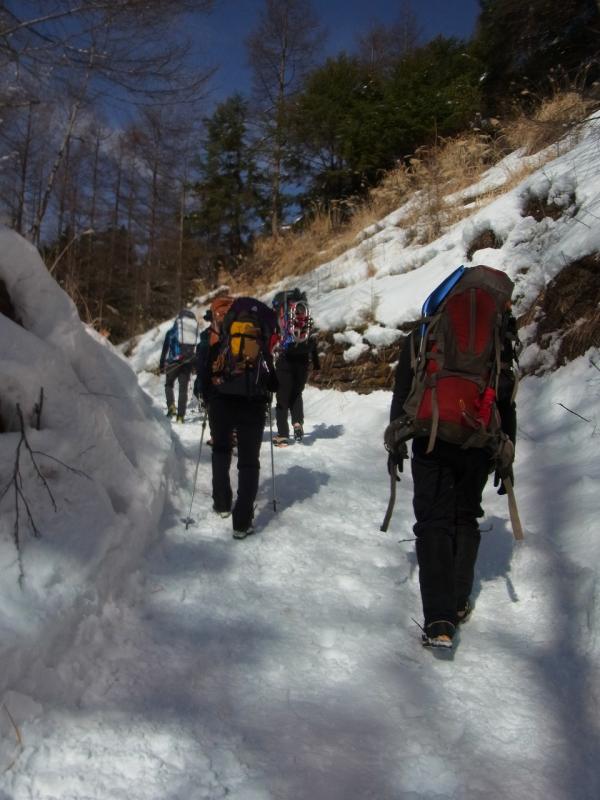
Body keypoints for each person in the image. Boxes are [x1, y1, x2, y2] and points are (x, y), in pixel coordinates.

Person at [386, 267, 518, 649]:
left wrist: (396, 437)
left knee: (433, 521)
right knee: (464, 515)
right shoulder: (500, 336)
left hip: (430, 433)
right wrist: (506, 451)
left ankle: (439, 618)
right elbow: (506, 396)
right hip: (478, 435)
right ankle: (458, 602)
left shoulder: (428, 330)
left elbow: (404, 387)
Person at [200, 297, 278, 539]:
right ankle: (242, 523)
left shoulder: (220, 343)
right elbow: (273, 382)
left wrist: (208, 395)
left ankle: (222, 503)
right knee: (248, 461)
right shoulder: (261, 350)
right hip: (252, 406)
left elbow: (205, 374)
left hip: (221, 403)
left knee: (221, 450)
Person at [272, 290, 320, 447]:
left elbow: (273, 338)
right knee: (296, 394)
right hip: (303, 358)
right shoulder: (302, 310)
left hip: (285, 359)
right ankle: (297, 424)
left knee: (282, 398)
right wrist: (316, 363)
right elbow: (312, 337)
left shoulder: (281, 315)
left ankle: (282, 436)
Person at [159, 308, 200, 422]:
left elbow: (165, 349)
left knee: (169, 385)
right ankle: (181, 416)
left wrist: (162, 364)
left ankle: (171, 406)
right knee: (183, 389)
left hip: (173, 362)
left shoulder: (172, 331)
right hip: (187, 362)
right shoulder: (192, 331)